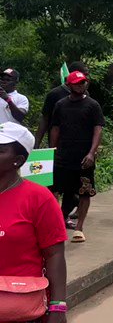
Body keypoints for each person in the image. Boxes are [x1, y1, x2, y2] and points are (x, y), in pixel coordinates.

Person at [0, 122, 68, 323]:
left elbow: (55, 254)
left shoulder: (39, 198)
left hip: (20, 308)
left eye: (1, 150)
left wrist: (58, 307)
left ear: (18, 160)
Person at [49, 71, 105, 244]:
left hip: (84, 158)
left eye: (83, 83)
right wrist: (52, 150)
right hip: (63, 156)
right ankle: (56, 224)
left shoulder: (92, 105)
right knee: (56, 191)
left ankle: (79, 228)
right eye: (77, 83)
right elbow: (55, 128)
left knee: (84, 192)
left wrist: (91, 152)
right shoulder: (60, 105)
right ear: (69, 85)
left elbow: (98, 129)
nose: (81, 85)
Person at [34, 62, 88, 149]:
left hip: (80, 144)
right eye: (84, 75)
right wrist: (36, 144)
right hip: (58, 144)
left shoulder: (86, 95)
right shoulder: (54, 94)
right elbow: (45, 119)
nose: (86, 79)